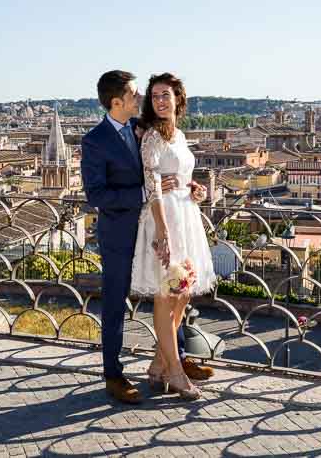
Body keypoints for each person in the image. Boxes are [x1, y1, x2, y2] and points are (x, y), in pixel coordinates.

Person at [81, 70, 212, 405]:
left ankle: (170, 359)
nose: (141, 100)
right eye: (135, 94)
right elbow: (97, 194)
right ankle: (113, 374)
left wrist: (191, 187)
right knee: (115, 304)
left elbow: (166, 167)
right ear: (117, 101)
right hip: (122, 233)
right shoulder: (95, 140)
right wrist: (142, 192)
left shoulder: (143, 128)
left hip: (161, 220)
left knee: (174, 290)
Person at [131, 72, 217, 401]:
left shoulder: (179, 135)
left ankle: (157, 365)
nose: (160, 101)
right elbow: (152, 185)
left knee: (182, 293)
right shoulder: (152, 136)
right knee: (165, 295)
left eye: (165, 94)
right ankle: (175, 372)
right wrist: (163, 231)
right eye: (155, 96)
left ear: (178, 98)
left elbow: (182, 176)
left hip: (186, 215)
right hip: (163, 218)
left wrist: (197, 190)